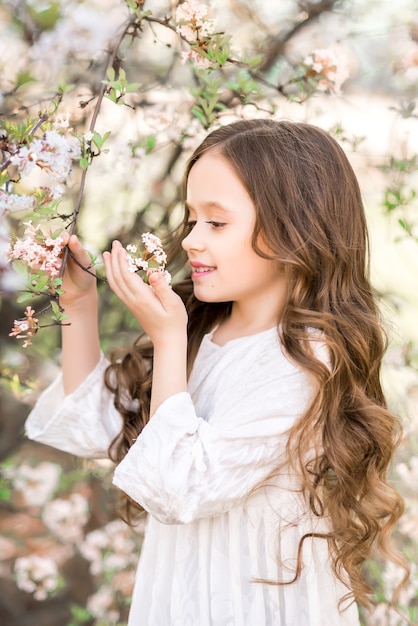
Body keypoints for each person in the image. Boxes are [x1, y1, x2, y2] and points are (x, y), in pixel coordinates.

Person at [25, 119, 407, 626]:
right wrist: (81, 305)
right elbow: (101, 427)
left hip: (253, 604)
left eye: (217, 223)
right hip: (181, 593)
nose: (191, 241)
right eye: (191, 219)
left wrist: (165, 336)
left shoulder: (304, 362)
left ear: (296, 227)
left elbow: (179, 484)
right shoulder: (201, 331)